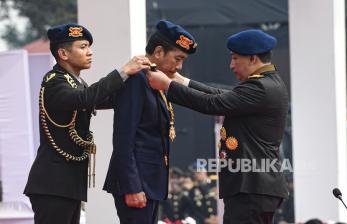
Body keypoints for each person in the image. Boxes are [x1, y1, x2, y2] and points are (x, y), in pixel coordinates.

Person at [147, 29, 289, 224]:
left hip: (252, 185)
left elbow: (213, 103)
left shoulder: (261, 87)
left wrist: (168, 86)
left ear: (253, 59)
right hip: (253, 185)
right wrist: (181, 81)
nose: (231, 65)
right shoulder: (266, 83)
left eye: (235, 58)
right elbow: (221, 95)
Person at [24, 23, 150, 224]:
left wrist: (138, 80)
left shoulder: (75, 83)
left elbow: (102, 98)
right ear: (63, 53)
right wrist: (124, 71)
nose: (90, 52)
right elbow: (85, 98)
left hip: (67, 182)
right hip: (53, 184)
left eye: (89, 47)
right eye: (83, 47)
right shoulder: (54, 81)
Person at [103, 20, 197, 224]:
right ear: (159, 51)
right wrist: (132, 186)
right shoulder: (136, 80)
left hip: (151, 182)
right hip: (137, 183)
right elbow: (123, 138)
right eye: (177, 59)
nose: (179, 66)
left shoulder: (153, 79)